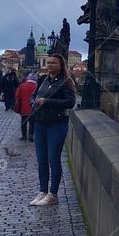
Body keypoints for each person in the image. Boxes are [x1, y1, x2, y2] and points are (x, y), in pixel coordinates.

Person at [29, 54, 76, 206]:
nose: (49, 65)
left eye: (53, 63)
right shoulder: (42, 80)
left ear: (61, 65)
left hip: (57, 124)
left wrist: (47, 102)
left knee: (53, 159)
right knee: (41, 159)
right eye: (48, 63)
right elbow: (34, 96)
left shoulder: (66, 81)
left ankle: (53, 194)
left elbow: (70, 102)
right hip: (40, 123)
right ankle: (43, 191)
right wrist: (33, 102)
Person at [14, 72, 37, 142]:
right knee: (32, 123)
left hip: (23, 108)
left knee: (23, 122)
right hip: (33, 108)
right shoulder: (37, 86)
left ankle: (24, 136)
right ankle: (30, 136)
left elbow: (17, 96)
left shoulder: (22, 85)